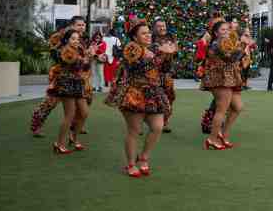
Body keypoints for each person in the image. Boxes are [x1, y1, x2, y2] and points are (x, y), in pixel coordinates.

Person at [105, 18, 176, 177]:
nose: (148, 35)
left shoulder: (155, 48)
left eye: (148, 32)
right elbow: (138, 68)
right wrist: (160, 54)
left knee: (158, 127)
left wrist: (168, 55)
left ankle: (143, 157)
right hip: (134, 94)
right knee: (134, 131)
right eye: (143, 33)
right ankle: (130, 164)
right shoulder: (130, 49)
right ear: (135, 37)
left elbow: (164, 69)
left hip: (153, 93)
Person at [30, 16, 88, 137]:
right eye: (79, 25)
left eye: (83, 25)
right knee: (50, 102)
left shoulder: (81, 40)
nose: (82, 27)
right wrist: (66, 59)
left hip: (77, 77)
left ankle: (75, 126)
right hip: (61, 76)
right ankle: (36, 125)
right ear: (72, 25)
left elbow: (83, 58)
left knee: (82, 102)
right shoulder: (60, 36)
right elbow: (54, 51)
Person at [200, 19, 252, 150]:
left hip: (229, 79)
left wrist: (241, 45)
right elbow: (231, 58)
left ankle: (223, 134)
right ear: (216, 33)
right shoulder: (217, 44)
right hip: (219, 79)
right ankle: (212, 139)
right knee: (221, 110)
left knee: (238, 107)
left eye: (228, 29)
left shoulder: (227, 42)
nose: (226, 32)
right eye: (223, 30)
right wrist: (242, 45)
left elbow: (235, 57)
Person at [49, 29, 93, 154]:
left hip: (78, 84)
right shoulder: (64, 50)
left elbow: (85, 67)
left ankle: (73, 137)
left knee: (84, 113)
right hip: (66, 84)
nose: (76, 41)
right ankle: (59, 143)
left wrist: (89, 58)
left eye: (77, 39)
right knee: (69, 115)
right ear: (67, 39)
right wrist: (87, 57)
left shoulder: (79, 50)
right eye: (73, 38)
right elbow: (75, 63)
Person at [152, 19, 178, 133]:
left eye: (163, 26)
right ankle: (146, 121)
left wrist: (173, 49)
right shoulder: (150, 39)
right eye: (159, 26)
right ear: (154, 28)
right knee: (152, 98)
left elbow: (176, 52)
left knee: (170, 97)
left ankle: (164, 122)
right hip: (153, 74)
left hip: (167, 74)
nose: (162, 28)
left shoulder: (171, 38)